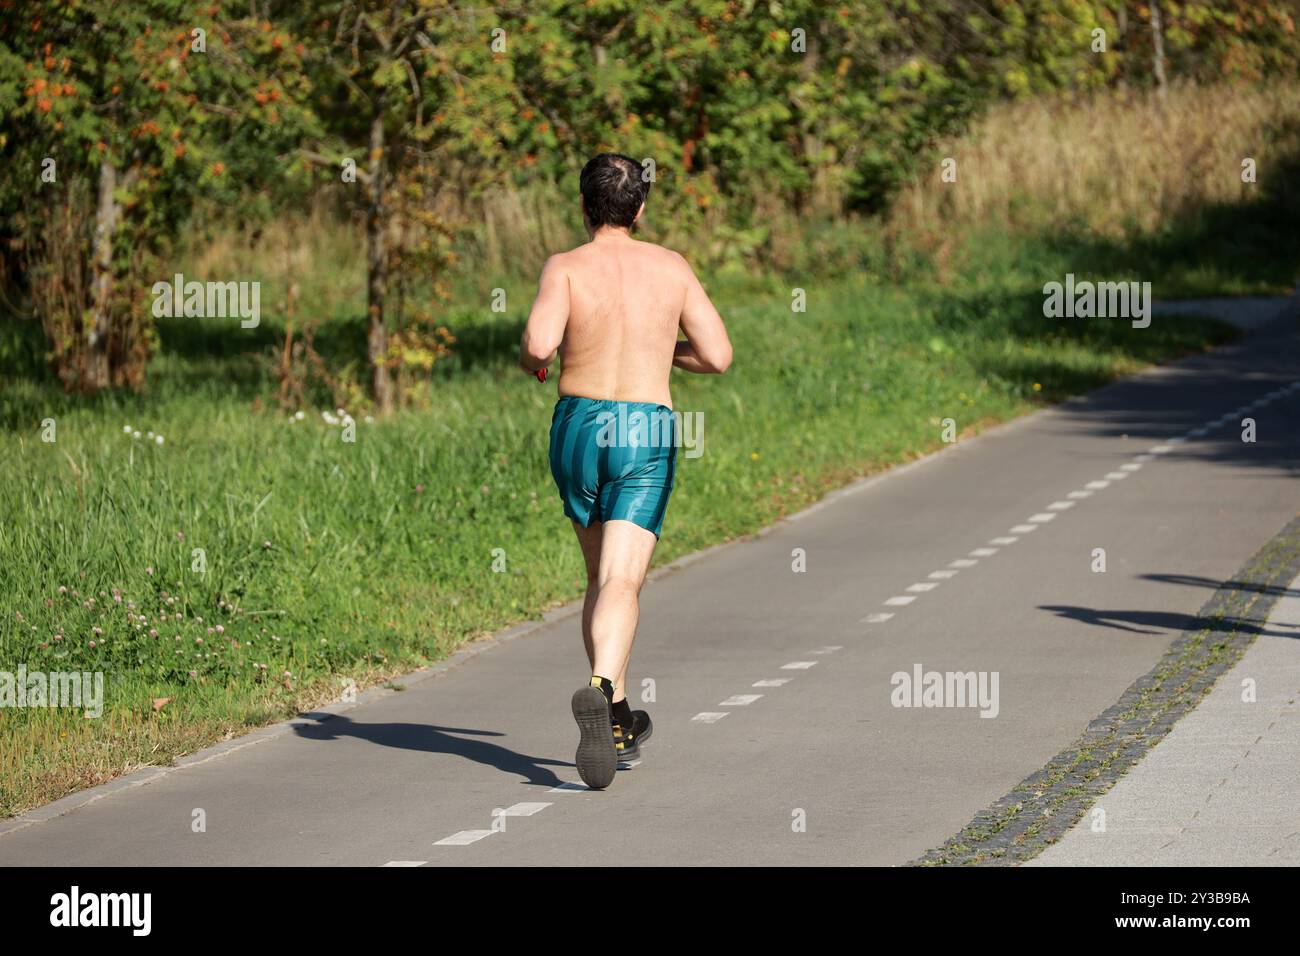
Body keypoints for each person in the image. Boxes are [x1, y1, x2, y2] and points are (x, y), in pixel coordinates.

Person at [519, 153, 733, 789]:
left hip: (578, 425)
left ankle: (613, 715)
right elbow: (718, 355)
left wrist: (550, 355)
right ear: (639, 209)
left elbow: (537, 346)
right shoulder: (670, 267)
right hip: (644, 429)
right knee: (622, 579)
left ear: (585, 207)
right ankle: (604, 687)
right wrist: (660, 346)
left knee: (597, 576)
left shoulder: (564, 267)